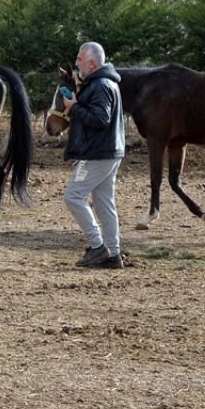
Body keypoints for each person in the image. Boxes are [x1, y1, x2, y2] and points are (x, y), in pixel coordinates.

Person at [62, 41, 126, 269]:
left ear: (92, 63)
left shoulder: (100, 85)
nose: (76, 63)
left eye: (80, 59)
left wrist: (74, 107)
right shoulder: (107, 82)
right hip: (110, 151)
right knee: (104, 203)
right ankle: (113, 254)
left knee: (73, 196)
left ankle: (97, 246)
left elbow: (100, 119)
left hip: (98, 154)